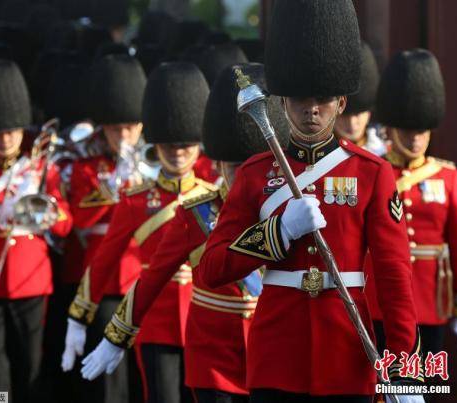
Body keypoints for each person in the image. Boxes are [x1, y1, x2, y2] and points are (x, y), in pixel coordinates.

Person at [197, 1, 423, 402]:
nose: (311, 108)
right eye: (300, 97)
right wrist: (277, 232)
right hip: (277, 357)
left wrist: (403, 367)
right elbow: (213, 268)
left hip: (348, 355)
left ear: (342, 102)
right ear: (282, 101)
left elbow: (394, 281)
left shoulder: (372, 173)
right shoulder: (253, 174)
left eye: (322, 97)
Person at [79, 63, 289, 403]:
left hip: (271, 351)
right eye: (235, 167)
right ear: (219, 163)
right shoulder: (198, 213)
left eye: (253, 165)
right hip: (213, 358)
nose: (243, 176)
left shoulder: (290, 209)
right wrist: (115, 337)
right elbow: (152, 278)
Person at [65, 62, 213, 403]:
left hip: (204, 318)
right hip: (155, 319)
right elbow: (103, 261)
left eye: (187, 144)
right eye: (170, 144)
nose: (178, 151)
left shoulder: (213, 194)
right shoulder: (135, 201)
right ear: (156, 143)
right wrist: (79, 316)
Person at [0, 59, 72, 402]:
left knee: (28, 364)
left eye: (11, 131)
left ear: (22, 130)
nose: (5, 139)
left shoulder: (38, 171)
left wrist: (49, 218)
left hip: (30, 278)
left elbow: (65, 221)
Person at [366, 49, 457, 360]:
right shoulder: (375, 171)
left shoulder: (448, 175)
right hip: (380, 298)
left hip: (430, 300)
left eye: (421, 131)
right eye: (409, 131)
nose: (415, 139)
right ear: (392, 127)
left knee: (425, 384)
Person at [63, 54, 147, 403]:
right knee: (110, 375)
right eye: (115, 128)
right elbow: (79, 217)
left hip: (144, 274)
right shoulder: (88, 168)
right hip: (106, 278)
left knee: (147, 369)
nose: (124, 135)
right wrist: (115, 186)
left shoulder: (156, 163)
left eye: (130, 126)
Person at [334, 41, 386, 156]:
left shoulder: (383, 154)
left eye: (358, 113)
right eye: (344, 115)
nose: (352, 124)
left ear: (368, 113)